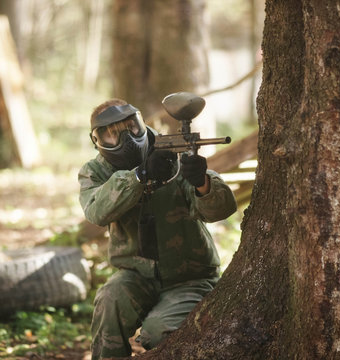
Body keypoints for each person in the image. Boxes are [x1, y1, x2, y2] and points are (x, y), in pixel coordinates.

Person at [78, 98, 237, 359]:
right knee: (109, 299)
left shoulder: (174, 154)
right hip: (136, 277)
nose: (126, 139)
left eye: (131, 128)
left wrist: (202, 183)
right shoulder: (96, 171)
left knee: (157, 330)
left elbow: (221, 209)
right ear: (97, 141)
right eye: (112, 134)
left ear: (142, 124)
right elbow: (96, 211)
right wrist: (139, 176)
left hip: (190, 279)